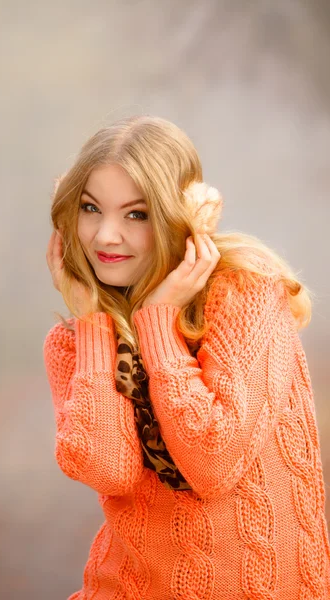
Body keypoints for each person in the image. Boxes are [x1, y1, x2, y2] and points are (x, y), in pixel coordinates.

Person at [43, 115, 330, 599]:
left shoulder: (244, 295)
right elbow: (109, 470)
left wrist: (157, 321)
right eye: (91, 208)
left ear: (183, 217)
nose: (105, 236)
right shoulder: (73, 341)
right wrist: (95, 325)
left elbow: (213, 462)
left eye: (136, 214)